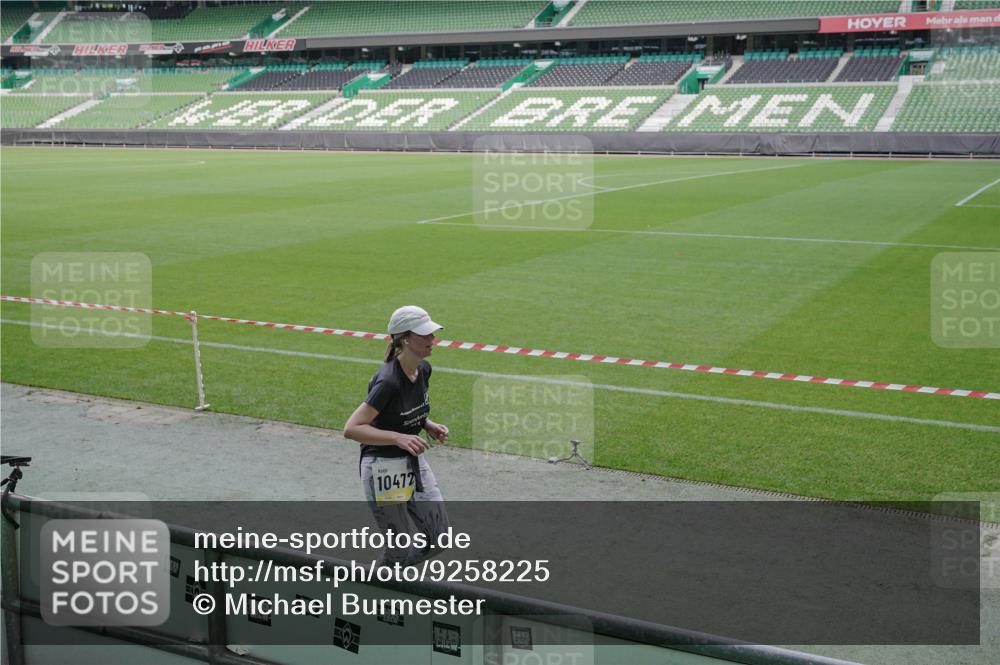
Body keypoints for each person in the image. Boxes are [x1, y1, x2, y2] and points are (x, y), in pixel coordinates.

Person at [343, 305, 450, 565]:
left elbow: (401, 409)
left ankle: (391, 577)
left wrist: (426, 423)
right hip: (383, 468)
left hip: (411, 462)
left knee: (439, 538)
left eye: (432, 333)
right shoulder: (387, 381)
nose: (431, 340)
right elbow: (352, 428)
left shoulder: (423, 370)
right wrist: (399, 438)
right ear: (404, 338)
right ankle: (374, 587)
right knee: (399, 550)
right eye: (424, 335)